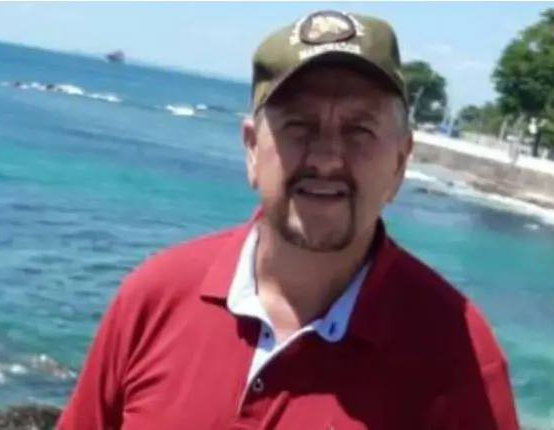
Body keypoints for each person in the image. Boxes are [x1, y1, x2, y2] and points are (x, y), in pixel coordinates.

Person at [57, 9, 520, 430]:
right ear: (251, 150)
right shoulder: (155, 298)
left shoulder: (457, 353)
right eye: (298, 125)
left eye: (359, 129)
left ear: (400, 162)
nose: (326, 157)